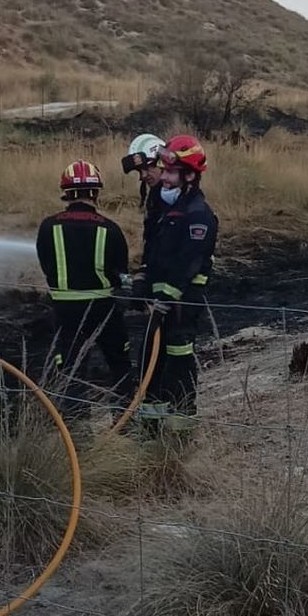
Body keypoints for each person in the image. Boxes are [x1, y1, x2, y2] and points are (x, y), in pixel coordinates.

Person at [35, 160, 133, 424]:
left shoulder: (47, 227)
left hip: (65, 312)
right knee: (119, 364)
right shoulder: (110, 230)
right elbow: (121, 275)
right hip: (104, 310)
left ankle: (77, 432)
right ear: (96, 192)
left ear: (66, 193)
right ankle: (125, 422)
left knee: (71, 371)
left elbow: (46, 266)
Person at [138, 136, 218, 433]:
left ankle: (180, 433)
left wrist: (165, 299)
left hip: (182, 306)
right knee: (151, 362)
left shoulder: (198, 216)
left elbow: (188, 265)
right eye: (164, 172)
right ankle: (150, 429)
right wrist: (143, 282)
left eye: (171, 173)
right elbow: (156, 255)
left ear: (190, 176)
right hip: (161, 304)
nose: (164, 179)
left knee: (177, 363)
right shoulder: (165, 209)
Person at [121, 133, 166, 298]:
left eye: (147, 168)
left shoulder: (178, 198)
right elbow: (153, 240)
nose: (143, 175)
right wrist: (144, 271)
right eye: (140, 171)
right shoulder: (155, 197)